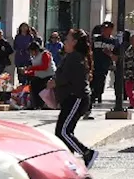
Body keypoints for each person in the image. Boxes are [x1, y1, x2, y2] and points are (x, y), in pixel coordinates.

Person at [54, 29, 96, 167]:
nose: (64, 42)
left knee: (63, 131)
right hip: (71, 98)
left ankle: (86, 153)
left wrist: (54, 82)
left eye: (67, 40)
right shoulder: (71, 56)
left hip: (76, 98)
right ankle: (68, 160)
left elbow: (66, 77)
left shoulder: (75, 57)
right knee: (64, 131)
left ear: (75, 42)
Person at [90, 22, 119, 108]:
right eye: (103, 28)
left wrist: (109, 54)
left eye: (107, 28)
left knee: (99, 84)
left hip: (103, 67)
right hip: (93, 66)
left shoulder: (114, 42)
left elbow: (116, 57)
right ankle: (90, 103)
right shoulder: (96, 39)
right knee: (92, 84)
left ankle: (95, 97)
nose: (104, 30)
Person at [23, 41, 56, 110]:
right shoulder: (34, 57)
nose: (31, 53)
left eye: (32, 51)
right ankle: (35, 104)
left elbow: (44, 67)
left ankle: (43, 104)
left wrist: (31, 68)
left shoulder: (45, 54)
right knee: (33, 86)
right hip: (40, 76)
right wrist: (27, 72)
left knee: (42, 88)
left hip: (49, 75)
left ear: (36, 50)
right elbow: (37, 70)